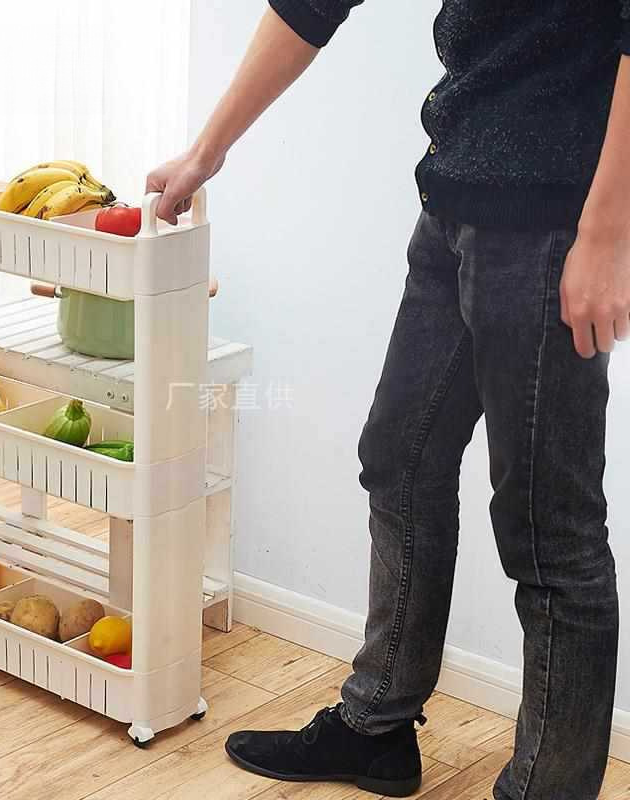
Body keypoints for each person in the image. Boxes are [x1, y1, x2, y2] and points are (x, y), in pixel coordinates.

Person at [147, 3, 630, 798]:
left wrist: (607, 233)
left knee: (550, 530)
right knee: (399, 461)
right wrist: (207, 151)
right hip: (455, 197)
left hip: (555, 220)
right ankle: (376, 726)